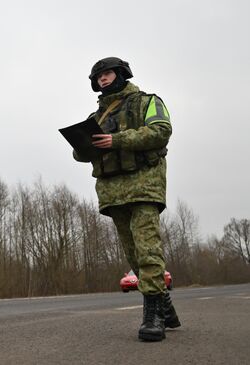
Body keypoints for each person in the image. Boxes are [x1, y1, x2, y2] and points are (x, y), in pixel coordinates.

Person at [72, 57, 180, 341]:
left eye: (106, 74)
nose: (102, 80)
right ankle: (164, 303)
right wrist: (82, 145)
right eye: (98, 77)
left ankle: (153, 316)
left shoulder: (148, 102)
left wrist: (116, 140)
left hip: (144, 185)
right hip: (113, 191)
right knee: (133, 254)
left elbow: (161, 131)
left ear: (121, 74)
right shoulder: (97, 116)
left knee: (147, 249)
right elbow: (81, 154)